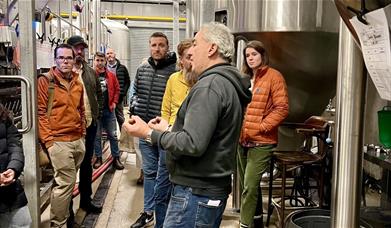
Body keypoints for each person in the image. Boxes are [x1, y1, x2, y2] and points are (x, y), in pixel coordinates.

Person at [123, 22, 252, 228]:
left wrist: (148, 133)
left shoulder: (210, 85)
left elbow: (192, 143)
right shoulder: (226, 82)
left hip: (196, 193)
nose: (190, 51)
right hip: (207, 189)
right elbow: (208, 135)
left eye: (196, 43)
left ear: (212, 49)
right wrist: (167, 129)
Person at [237, 40, 289, 228]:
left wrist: (261, 126)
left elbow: (282, 108)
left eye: (254, 54)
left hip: (261, 142)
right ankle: (256, 222)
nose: (250, 58)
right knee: (248, 187)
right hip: (242, 140)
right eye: (247, 55)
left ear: (262, 55)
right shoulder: (244, 78)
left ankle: (244, 224)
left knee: (250, 187)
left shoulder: (274, 76)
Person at [129, 32, 177, 228]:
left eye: (161, 45)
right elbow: (136, 91)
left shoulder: (175, 71)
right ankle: (148, 212)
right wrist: (134, 106)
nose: (157, 49)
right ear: (149, 46)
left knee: (164, 175)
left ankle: (165, 216)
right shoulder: (142, 69)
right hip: (144, 129)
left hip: (164, 132)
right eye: (154, 45)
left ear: (167, 47)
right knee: (149, 173)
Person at [37, 43, 86, 228]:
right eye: (61, 57)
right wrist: (49, 142)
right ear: (55, 59)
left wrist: (82, 133)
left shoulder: (77, 81)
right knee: (65, 184)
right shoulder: (46, 81)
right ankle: (58, 224)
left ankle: (67, 217)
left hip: (77, 140)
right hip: (58, 141)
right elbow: (41, 113)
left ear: (74, 60)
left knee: (68, 183)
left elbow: (80, 109)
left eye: (69, 58)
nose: (65, 61)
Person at [154, 38, 195, 228]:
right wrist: (166, 129)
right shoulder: (173, 79)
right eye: (189, 57)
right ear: (181, 59)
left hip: (190, 142)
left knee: (185, 192)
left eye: (195, 56)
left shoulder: (203, 81)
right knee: (161, 189)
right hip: (170, 139)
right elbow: (165, 109)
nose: (192, 61)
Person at [66, 35, 103, 215]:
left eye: (82, 48)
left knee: (86, 166)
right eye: (76, 48)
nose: (80, 51)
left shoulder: (89, 72)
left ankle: (86, 201)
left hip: (89, 125)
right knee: (69, 170)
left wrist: (97, 113)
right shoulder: (63, 72)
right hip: (70, 129)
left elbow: (98, 93)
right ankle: (68, 212)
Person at [0, 104, 31, 228]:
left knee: (23, 223)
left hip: (9, 189)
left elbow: (14, 144)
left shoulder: (2, 114)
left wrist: (13, 168)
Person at [93, 52, 124, 170]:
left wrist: (114, 102)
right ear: (94, 61)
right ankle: (99, 158)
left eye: (102, 60)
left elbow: (117, 89)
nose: (100, 62)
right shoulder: (90, 75)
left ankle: (116, 158)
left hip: (109, 110)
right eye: (97, 60)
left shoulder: (111, 75)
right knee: (97, 136)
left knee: (113, 135)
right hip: (96, 112)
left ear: (105, 61)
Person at [106, 48, 130, 130]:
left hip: (118, 99)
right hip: (107, 100)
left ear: (115, 55)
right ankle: (111, 138)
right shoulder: (104, 68)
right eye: (108, 53)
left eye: (111, 53)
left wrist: (123, 93)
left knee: (120, 118)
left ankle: (124, 137)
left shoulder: (122, 68)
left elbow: (127, 81)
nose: (109, 55)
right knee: (107, 119)